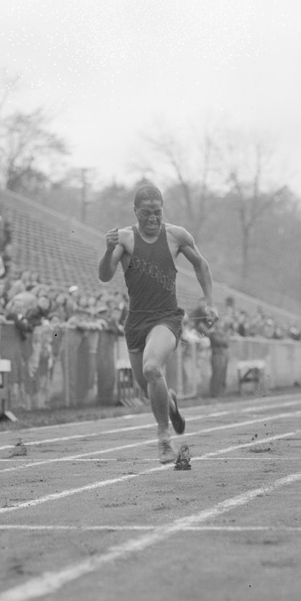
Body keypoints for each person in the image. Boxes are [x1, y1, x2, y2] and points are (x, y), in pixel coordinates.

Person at [98, 183, 218, 467]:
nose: (152, 219)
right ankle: (171, 404)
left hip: (167, 318)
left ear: (163, 210)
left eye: (157, 213)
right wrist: (107, 250)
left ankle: (164, 436)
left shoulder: (176, 235)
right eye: (145, 214)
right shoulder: (125, 239)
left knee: (152, 368)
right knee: (150, 387)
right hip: (136, 321)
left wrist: (210, 301)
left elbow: (201, 265)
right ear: (135, 211)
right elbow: (105, 275)